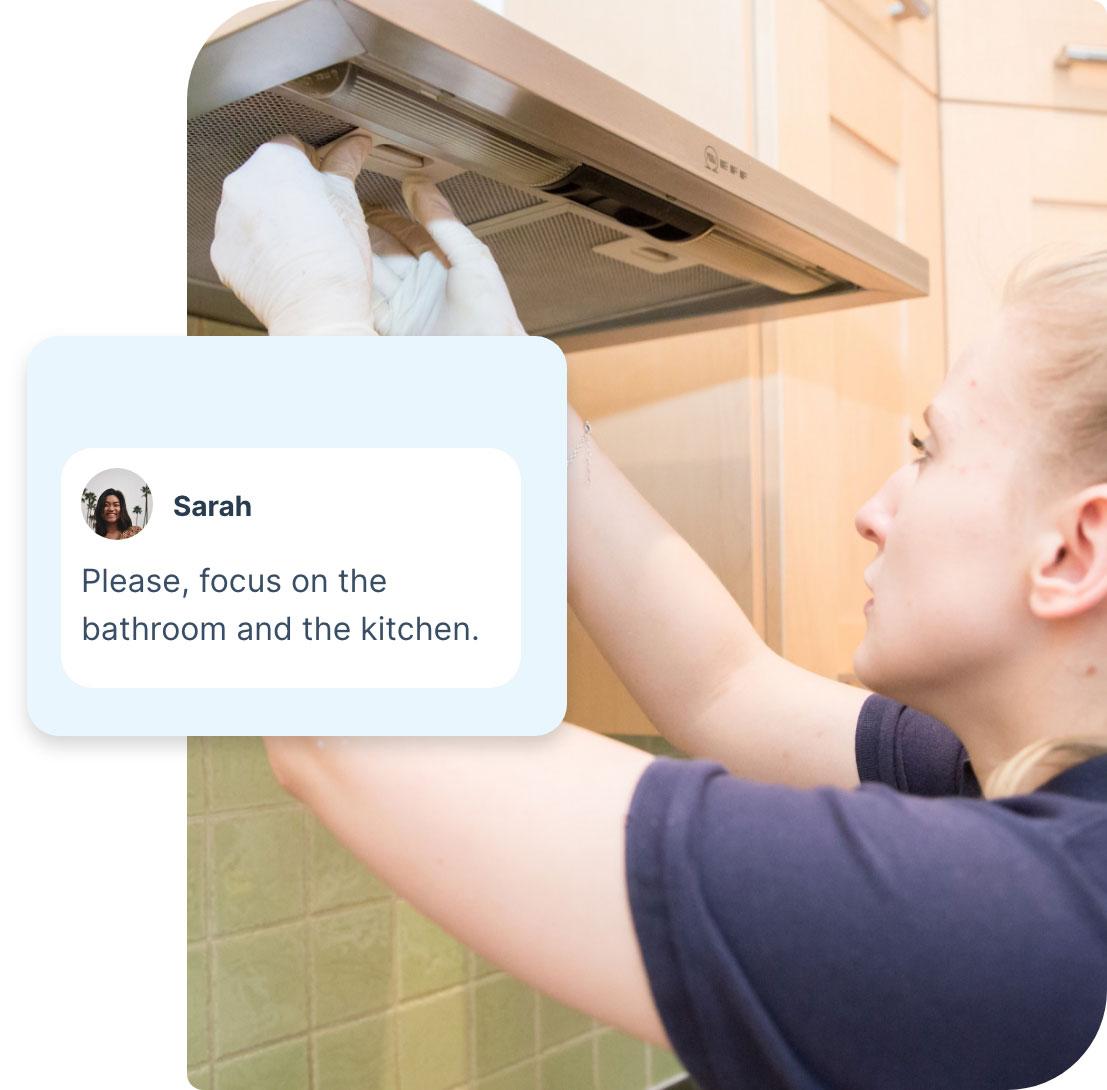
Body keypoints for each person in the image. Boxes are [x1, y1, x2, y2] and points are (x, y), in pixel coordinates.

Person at [209, 134, 1107, 1090]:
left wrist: (319, 327)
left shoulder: (1018, 920)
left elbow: (347, 736)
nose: (873, 511)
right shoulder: (1032, 796)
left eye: (927, 450)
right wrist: (509, 400)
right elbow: (724, 686)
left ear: (1074, 551)